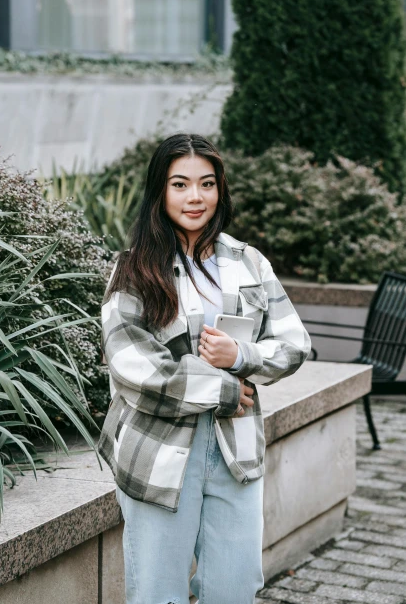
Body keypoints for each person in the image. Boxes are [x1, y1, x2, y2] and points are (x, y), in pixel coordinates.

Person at [97, 133, 311, 604]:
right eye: (180, 184)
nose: (195, 197)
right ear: (160, 192)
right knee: (158, 593)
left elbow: (295, 343)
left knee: (235, 589)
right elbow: (134, 366)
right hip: (158, 451)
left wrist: (241, 357)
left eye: (207, 184)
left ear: (220, 190)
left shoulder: (248, 261)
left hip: (235, 451)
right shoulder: (133, 270)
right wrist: (225, 389)